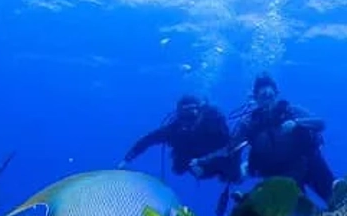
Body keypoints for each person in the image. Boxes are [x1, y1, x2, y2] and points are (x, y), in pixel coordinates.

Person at [230, 73, 335, 203]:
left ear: (276, 94)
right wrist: (240, 167)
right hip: (281, 174)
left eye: (270, 95)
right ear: (255, 98)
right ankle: (252, 201)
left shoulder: (291, 111)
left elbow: (320, 123)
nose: (268, 100)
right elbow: (232, 147)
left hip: (309, 164)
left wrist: (297, 123)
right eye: (263, 96)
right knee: (297, 215)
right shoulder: (248, 123)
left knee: (335, 199)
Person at [120, 95, 241, 182]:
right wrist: (127, 159)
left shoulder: (213, 122)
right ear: (178, 116)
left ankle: (242, 169)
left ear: (200, 113)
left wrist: (204, 160)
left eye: (192, 116)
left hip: (219, 156)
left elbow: (230, 145)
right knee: (180, 168)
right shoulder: (173, 130)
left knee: (233, 177)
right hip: (196, 162)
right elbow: (147, 140)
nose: (188, 123)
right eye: (184, 117)